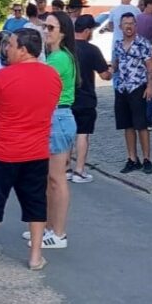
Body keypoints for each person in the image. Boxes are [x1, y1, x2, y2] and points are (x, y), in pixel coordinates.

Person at [0, 29, 61, 273]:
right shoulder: (52, 76)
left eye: (11, 45)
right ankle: (35, 256)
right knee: (36, 204)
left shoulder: (3, 76)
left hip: (3, 150)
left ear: (23, 50)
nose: (6, 48)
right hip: (37, 151)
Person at [37, 11, 79, 250]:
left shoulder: (59, 59)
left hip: (58, 116)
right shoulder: (57, 56)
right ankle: (48, 227)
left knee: (56, 178)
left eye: (51, 28)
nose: (46, 31)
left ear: (62, 32)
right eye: (45, 27)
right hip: (55, 116)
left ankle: (58, 232)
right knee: (49, 178)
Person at [111, 13, 152, 174]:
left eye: (131, 23)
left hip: (137, 88)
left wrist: (150, 87)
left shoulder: (142, 43)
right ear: (120, 26)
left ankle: (147, 159)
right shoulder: (118, 44)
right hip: (121, 88)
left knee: (141, 125)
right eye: (125, 24)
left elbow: (151, 68)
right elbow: (116, 64)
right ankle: (132, 158)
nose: (128, 26)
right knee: (127, 125)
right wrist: (109, 70)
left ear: (136, 26)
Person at [69, 15, 110, 183]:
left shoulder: (65, 49)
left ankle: (65, 167)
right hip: (85, 98)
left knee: (67, 134)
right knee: (82, 134)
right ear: (86, 31)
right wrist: (111, 69)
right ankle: (79, 170)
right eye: (91, 30)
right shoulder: (92, 50)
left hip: (66, 98)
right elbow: (104, 75)